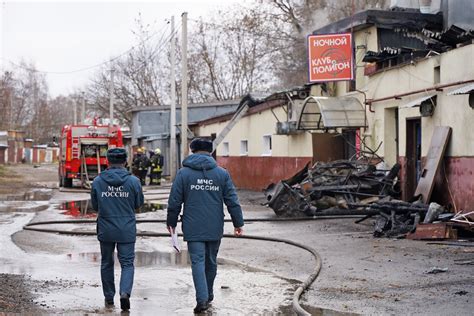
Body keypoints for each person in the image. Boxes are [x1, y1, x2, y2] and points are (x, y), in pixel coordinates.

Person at [166, 138, 244, 314]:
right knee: (210, 261)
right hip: (214, 225)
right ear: (210, 152)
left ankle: (202, 299)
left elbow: (174, 201)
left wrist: (171, 223)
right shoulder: (222, 174)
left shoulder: (183, 174)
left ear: (192, 151)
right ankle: (207, 295)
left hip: (193, 226)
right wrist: (238, 222)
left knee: (198, 262)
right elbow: (232, 200)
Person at [91, 148, 144, 311]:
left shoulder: (98, 181)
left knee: (107, 262)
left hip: (106, 228)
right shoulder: (134, 181)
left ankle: (108, 297)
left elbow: (95, 206)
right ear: (125, 161)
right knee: (127, 263)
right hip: (126, 228)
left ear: (108, 161)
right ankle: (124, 293)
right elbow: (138, 203)